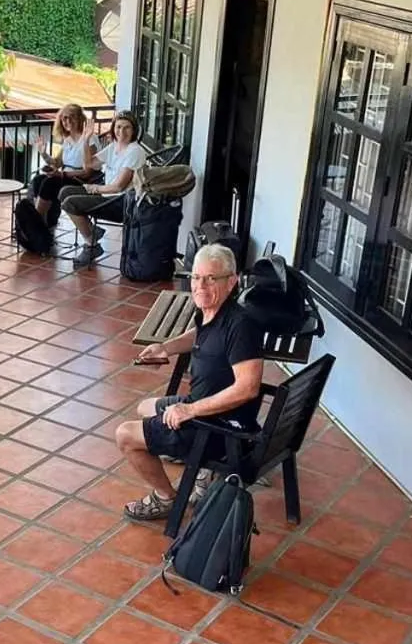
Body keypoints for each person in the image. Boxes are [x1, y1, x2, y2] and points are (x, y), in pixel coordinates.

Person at [114, 243, 264, 523]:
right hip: (206, 410)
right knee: (146, 408)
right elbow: (199, 334)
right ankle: (199, 468)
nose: (200, 286)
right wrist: (165, 348)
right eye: (196, 277)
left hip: (217, 427)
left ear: (231, 281)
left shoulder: (241, 327)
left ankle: (166, 498)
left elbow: (248, 388)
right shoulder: (212, 309)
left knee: (125, 435)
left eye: (211, 278)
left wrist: (190, 411)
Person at [61, 108, 147, 268]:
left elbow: (118, 187)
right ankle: (92, 232)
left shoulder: (135, 152)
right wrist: (85, 141)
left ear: (134, 130)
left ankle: (91, 243)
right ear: (113, 129)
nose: (122, 131)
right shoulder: (115, 146)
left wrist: (94, 189)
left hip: (121, 202)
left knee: (70, 203)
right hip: (107, 194)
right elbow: (89, 164)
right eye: (118, 127)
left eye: (127, 127)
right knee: (64, 192)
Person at [31, 103, 95, 220]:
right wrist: (43, 153)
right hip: (65, 176)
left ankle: (36, 222)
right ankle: (47, 219)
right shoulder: (67, 139)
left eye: (72, 117)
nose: (68, 121)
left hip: (81, 180)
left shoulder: (89, 139)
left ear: (80, 119)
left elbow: (88, 172)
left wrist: (62, 174)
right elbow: (56, 163)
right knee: (37, 180)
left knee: (49, 183)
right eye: (65, 118)